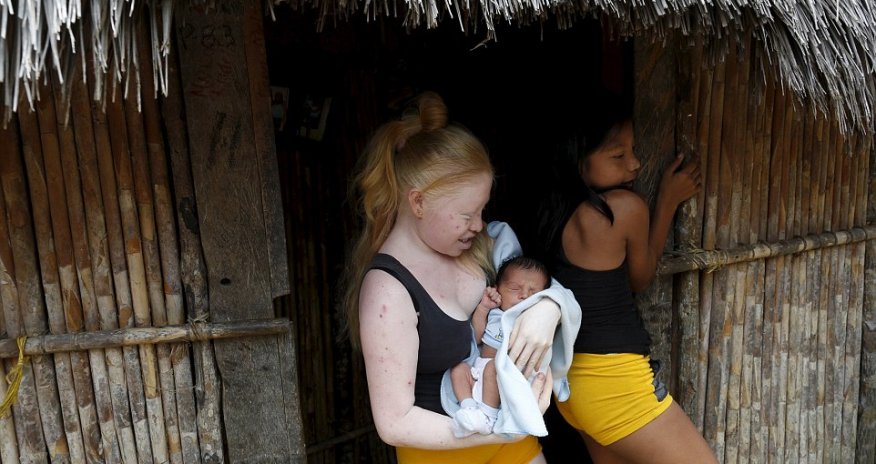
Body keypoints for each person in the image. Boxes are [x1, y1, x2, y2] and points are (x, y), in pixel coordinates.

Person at [342, 91, 568, 464]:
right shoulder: (387, 290)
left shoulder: (481, 246)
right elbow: (395, 423)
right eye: (466, 215)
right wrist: (505, 427)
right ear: (418, 202)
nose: (478, 225)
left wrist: (549, 308)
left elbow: (537, 284)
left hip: (515, 449)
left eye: (481, 210)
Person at [535, 107, 719, 463]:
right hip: (615, 383)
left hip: (573, 386)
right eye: (618, 156)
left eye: (633, 151)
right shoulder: (622, 207)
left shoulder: (557, 214)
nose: (634, 164)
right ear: (579, 164)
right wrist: (667, 200)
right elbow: (641, 277)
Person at [449, 256, 551, 437]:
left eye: (534, 292)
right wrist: (483, 308)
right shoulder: (494, 313)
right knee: (458, 369)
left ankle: (487, 416)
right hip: (478, 373)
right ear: (497, 289)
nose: (524, 295)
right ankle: (469, 409)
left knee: (492, 367)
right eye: (515, 289)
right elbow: (476, 338)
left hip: (503, 377)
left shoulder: (529, 323)